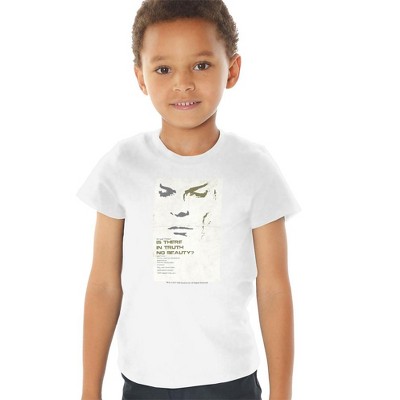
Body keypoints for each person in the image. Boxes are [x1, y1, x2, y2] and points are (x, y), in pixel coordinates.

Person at [76, 1, 301, 399]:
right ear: (140, 77)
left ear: (231, 69)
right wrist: (89, 391)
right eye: (163, 69)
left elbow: (274, 289)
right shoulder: (121, 165)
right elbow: (104, 285)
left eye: (201, 65)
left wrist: (281, 393)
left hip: (230, 380)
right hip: (144, 381)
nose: (182, 83)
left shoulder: (254, 168)